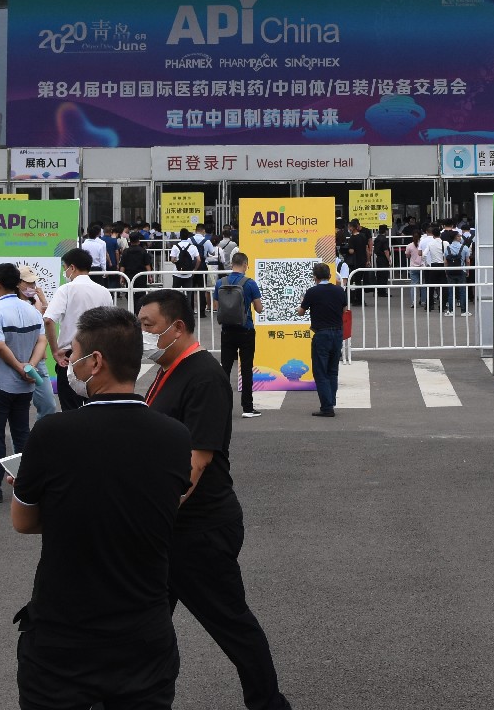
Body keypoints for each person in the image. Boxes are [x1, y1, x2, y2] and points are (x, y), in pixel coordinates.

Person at [7, 305, 193, 710]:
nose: (68, 363)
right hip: (144, 635)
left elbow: (23, 521)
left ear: (96, 362)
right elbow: (160, 509)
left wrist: (59, 502)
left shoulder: (53, 433)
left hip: (62, 637)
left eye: (72, 354)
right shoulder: (176, 437)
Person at [137, 289, 294, 710]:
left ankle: (268, 703)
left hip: (198, 529)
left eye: (148, 326)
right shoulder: (167, 370)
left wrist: (153, 512)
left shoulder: (203, 375)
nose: (143, 335)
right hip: (168, 528)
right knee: (143, 627)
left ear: (177, 327)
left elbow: (196, 461)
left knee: (231, 624)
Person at [0, 263, 56, 505]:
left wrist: (19, 367)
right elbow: (42, 341)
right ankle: (27, 485)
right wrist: (29, 367)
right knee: (21, 434)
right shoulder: (31, 310)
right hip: (24, 386)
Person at [45, 247, 116, 411]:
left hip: (70, 357)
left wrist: (55, 351)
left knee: (71, 409)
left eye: (65, 267)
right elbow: (111, 325)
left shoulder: (66, 289)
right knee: (96, 406)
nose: (65, 272)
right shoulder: (104, 292)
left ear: (72, 267)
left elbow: (48, 320)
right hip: (98, 356)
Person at [215, 251, 265, 419]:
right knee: (246, 369)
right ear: (245, 264)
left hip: (227, 330)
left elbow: (216, 307)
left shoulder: (220, 283)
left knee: (225, 368)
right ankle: (248, 408)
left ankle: (222, 407)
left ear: (231, 264)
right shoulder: (250, 283)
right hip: (246, 330)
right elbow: (258, 308)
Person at [300, 261, 347, 418]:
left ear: (315, 277)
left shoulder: (312, 292)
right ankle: (331, 401)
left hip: (321, 334)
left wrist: (302, 301)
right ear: (330, 275)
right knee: (332, 370)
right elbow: (344, 309)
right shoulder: (339, 290)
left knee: (320, 371)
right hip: (337, 333)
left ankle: (327, 407)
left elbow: (301, 311)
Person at [414, 222, 444, 310]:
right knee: (441, 285)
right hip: (440, 264)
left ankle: (429, 304)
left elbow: (420, 253)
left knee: (429, 285)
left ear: (426, 232)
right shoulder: (441, 242)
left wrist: (425, 261)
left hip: (427, 266)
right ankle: (442, 304)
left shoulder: (423, 241)